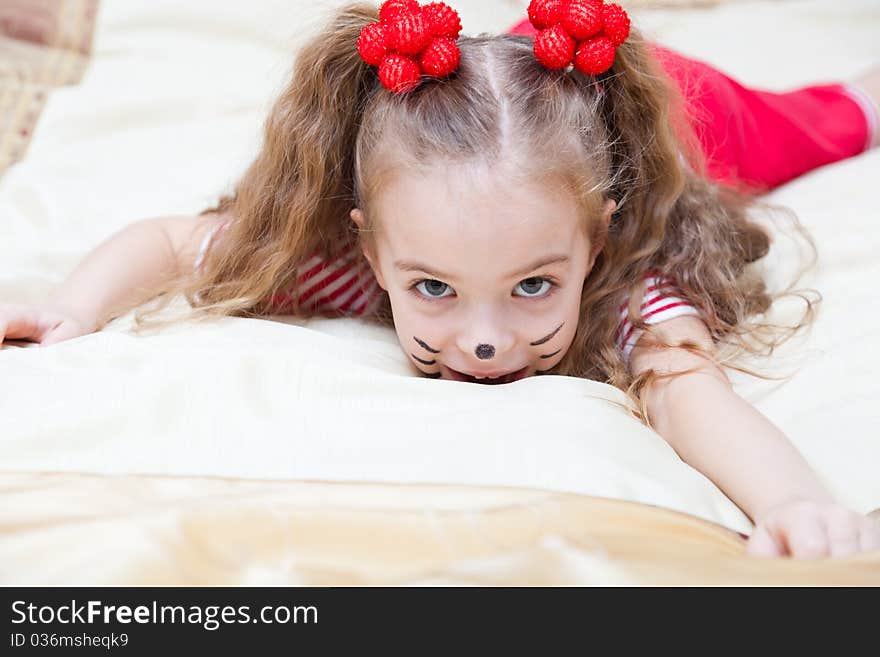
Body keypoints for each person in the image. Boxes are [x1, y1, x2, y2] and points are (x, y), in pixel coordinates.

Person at [1, 0, 879, 558]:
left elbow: (691, 389)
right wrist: (74, 307)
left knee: (830, 122)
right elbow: (168, 240)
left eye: (535, 286)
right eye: (433, 290)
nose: (486, 338)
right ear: (372, 251)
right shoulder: (341, 267)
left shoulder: (622, 284)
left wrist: (794, 500)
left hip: (700, 115)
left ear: (597, 243)